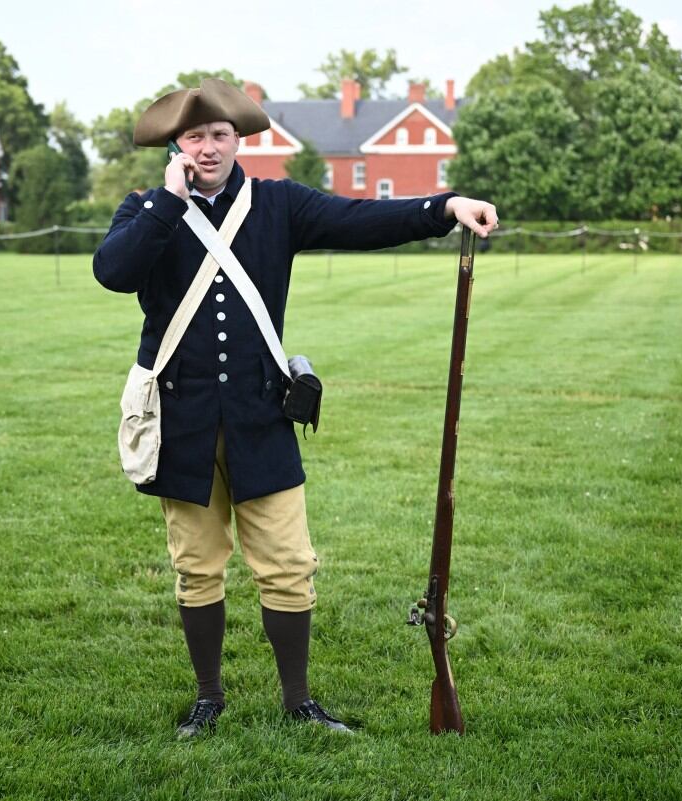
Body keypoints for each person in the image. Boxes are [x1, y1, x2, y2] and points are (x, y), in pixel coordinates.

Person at [93, 78, 497, 738]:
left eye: (219, 135)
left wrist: (445, 204)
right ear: (176, 145)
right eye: (194, 137)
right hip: (183, 423)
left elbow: (363, 219)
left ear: (238, 140)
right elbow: (114, 271)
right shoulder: (145, 208)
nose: (207, 147)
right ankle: (208, 696)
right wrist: (168, 203)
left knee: (288, 565)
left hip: (261, 419)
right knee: (197, 567)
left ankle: (299, 701)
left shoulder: (276, 204)